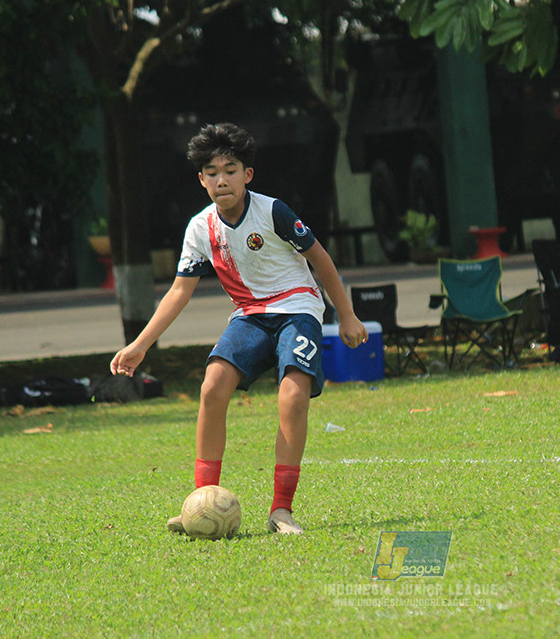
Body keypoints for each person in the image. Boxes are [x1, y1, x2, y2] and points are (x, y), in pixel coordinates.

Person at [110, 123, 367, 534]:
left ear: (247, 175)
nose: (221, 179)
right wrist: (140, 345)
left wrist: (347, 314)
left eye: (230, 169)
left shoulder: (273, 211)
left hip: (298, 309)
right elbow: (179, 291)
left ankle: (281, 510)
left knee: (294, 394)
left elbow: (320, 259)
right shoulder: (200, 228)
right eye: (212, 172)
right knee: (212, 386)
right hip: (249, 315)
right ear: (201, 180)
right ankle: (202, 502)